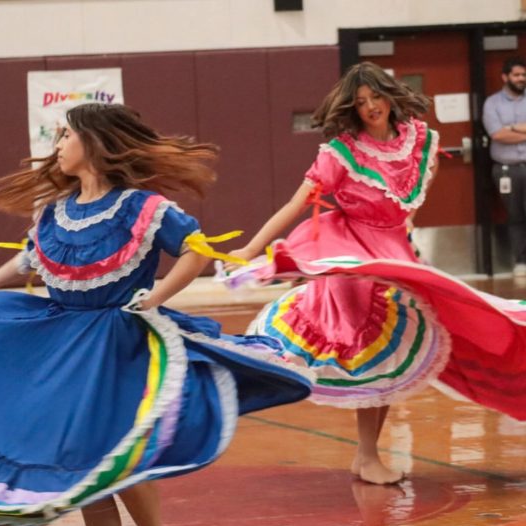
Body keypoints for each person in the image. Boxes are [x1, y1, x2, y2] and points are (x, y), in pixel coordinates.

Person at [0, 103, 313, 526]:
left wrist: (157, 297)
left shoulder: (142, 208)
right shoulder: (55, 212)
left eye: (66, 135)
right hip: (61, 345)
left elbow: (196, 250)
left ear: (93, 142)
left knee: (122, 456)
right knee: (84, 463)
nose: (59, 145)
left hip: (118, 346)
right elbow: (27, 261)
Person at [225, 62, 526, 485]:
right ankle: (367, 456)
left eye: (375, 98)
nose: (370, 108)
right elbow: (297, 203)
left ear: (389, 95)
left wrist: (406, 229)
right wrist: (253, 248)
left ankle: (367, 455)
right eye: (361, 102)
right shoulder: (341, 153)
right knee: (366, 346)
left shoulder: (418, 140)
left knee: (407, 344)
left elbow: (414, 195)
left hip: (393, 255)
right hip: (352, 258)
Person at [483, 56, 526, 277]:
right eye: (517, 75)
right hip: (506, 169)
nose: (521, 79)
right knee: (515, 214)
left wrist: (513, 128)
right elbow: (497, 134)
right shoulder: (493, 103)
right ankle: (521, 261)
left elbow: (505, 132)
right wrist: (519, 130)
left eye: (523, 75)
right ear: (505, 77)